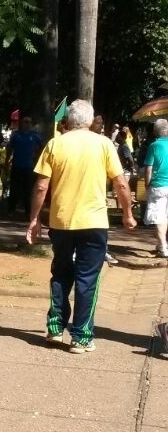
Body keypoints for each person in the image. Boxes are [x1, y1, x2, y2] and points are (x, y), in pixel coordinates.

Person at [26, 98, 136, 354]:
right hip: (94, 222)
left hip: (61, 222)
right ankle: (81, 337)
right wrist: (128, 213)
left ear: (68, 120)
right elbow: (120, 184)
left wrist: (34, 219)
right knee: (88, 279)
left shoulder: (55, 144)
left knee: (61, 273)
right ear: (89, 121)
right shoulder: (104, 144)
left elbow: (42, 185)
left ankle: (55, 327)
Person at [6, 115, 43, 216]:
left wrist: (37, 157)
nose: (27, 124)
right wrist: (6, 161)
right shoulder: (16, 135)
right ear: (22, 123)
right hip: (16, 165)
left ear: (31, 124)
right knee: (14, 189)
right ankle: (11, 209)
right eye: (25, 122)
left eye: (29, 122)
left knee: (28, 189)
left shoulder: (35, 136)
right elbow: (9, 149)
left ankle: (28, 211)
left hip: (29, 166)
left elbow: (42, 147)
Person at [143, 117, 168, 259]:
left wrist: (147, 184)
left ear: (155, 131)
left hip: (158, 186)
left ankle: (163, 247)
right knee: (165, 216)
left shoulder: (154, 146)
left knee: (159, 217)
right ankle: (161, 244)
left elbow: (148, 168)